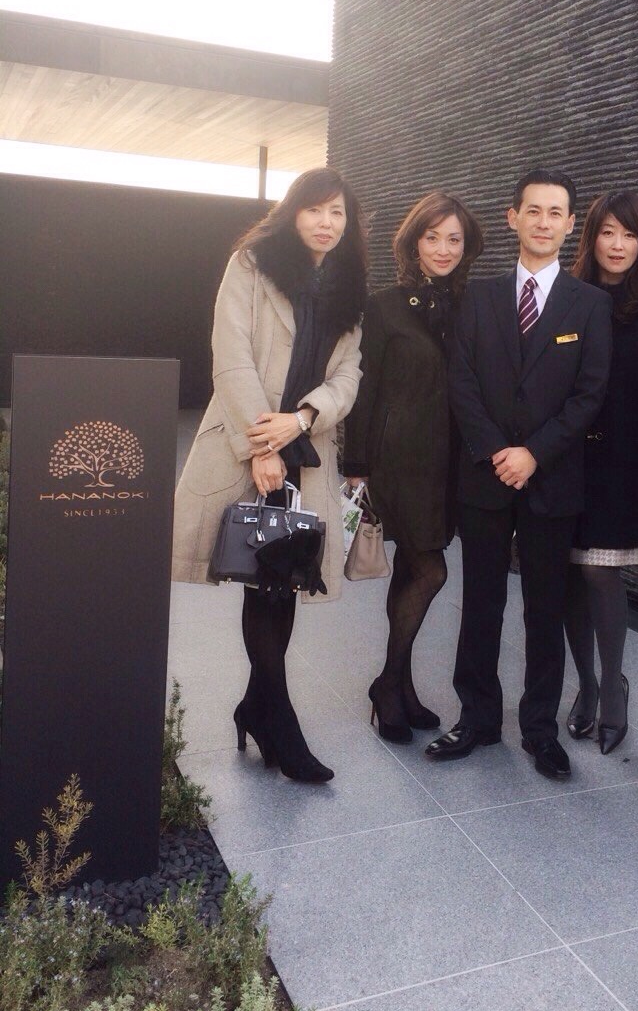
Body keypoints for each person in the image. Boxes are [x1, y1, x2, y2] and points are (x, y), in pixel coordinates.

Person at [172, 167, 366, 783]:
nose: (326, 223)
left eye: (337, 212)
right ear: (292, 211)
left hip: (306, 447)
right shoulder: (253, 265)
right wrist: (262, 445)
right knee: (263, 582)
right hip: (248, 443)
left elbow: (349, 375)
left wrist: (303, 418)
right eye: (315, 209)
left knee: (284, 582)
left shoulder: (348, 284)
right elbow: (230, 358)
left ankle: (256, 709)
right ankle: (280, 720)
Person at [426, 168, 613, 780]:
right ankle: (477, 717)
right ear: (513, 218)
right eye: (532, 210)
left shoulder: (591, 304)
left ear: (569, 224)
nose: (542, 222)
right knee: (480, 604)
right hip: (485, 477)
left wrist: (533, 453)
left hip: (551, 479)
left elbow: (589, 394)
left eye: (555, 212)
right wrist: (495, 450)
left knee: (544, 608)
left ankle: (539, 729)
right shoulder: (477, 297)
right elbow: (461, 381)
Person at [343, 191, 484, 742]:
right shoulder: (384, 307)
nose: (443, 249)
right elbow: (364, 388)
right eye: (432, 237)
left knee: (411, 567)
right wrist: (356, 465)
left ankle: (400, 688)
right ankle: (387, 684)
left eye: (454, 239)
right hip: (397, 459)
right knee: (431, 571)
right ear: (413, 242)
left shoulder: (471, 306)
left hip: (449, 462)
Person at [563, 192, 638, 754]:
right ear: (591, 237)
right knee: (570, 572)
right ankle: (584, 685)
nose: (618, 245)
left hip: (624, 459)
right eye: (608, 232)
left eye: (629, 235)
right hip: (565, 456)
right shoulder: (567, 295)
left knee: (599, 571)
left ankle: (613, 686)